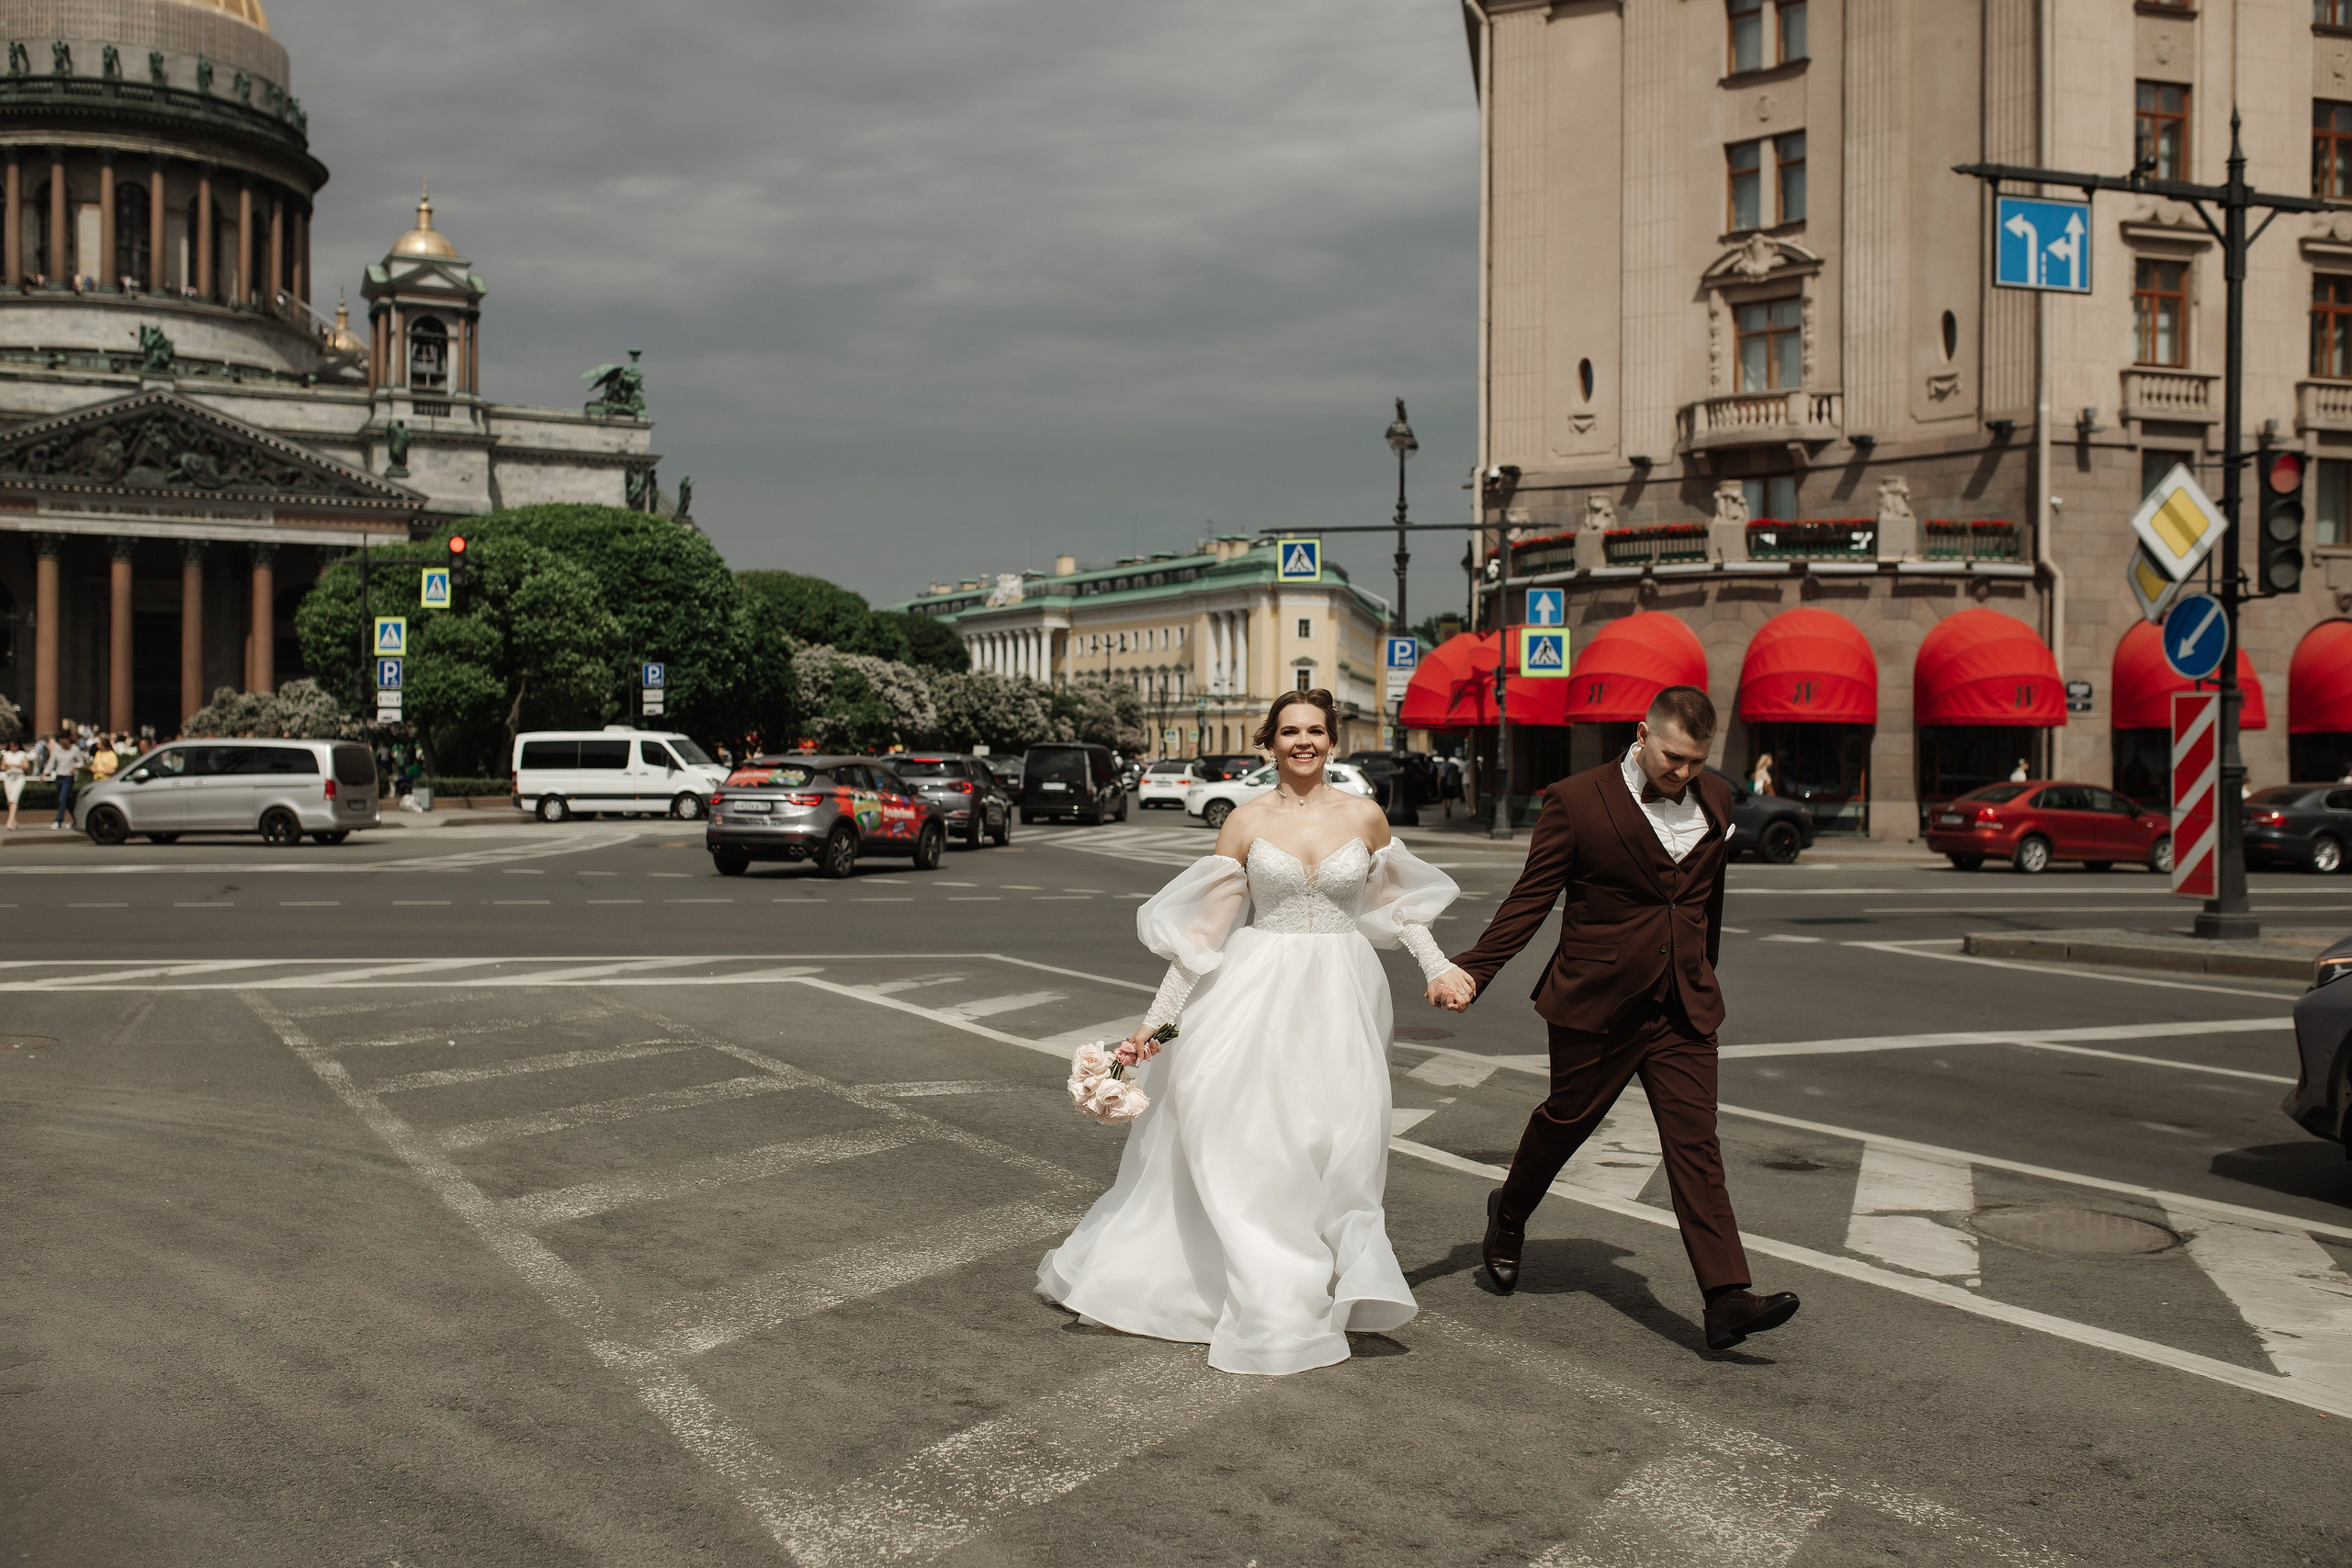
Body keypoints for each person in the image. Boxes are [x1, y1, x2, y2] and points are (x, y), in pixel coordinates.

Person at [1037, 687, 1460, 1375]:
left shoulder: (1367, 816)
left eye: (1316, 730)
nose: (1304, 741)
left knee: (1344, 1141)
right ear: (1270, 742)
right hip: (1256, 992)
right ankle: (1271, 1289)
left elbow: (1401, 907)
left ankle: (1323, 1270)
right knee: (1259, 1141)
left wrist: (1438, 967)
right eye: (1290, 730)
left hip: (1346, 995)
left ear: (1332, 740)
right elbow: (1203, 938)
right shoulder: (1243, 820)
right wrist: (1155, 1026)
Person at [1426, 685, 1800, 1354]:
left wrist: (1701, 974)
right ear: (1642, 732)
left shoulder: (1715, 799)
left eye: (1696, 760)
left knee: (1696, 1146)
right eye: (1674, 756)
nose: (1684, 772)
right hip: (1596, 998)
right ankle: (1507, 1213)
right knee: (1566, 1119)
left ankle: (1724, 1297)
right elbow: (1530, 900)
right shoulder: (1575, 799)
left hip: (1683, 1003)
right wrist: (1474, 969)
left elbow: (1703, 902)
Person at [49, 731, 85, 829]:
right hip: (59, 777)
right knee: (66, 800)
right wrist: (44, 773)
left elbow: (81, 762)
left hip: (68, 777)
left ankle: (58, 820)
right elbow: (52, 762)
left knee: (62, 798)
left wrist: (75, 766)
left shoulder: (74, 750)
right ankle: (77, 819)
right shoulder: (57, 750)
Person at [0, 736, 28, 830]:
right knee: (10, 801)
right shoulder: (6, 754)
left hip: (19, 778)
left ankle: (9, 821)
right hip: (9, 778)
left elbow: (26, 766)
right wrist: (7, 767)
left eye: (14, 745)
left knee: (14, 799)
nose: (12, 747)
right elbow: (2, 766)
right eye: (11, 745)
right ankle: (14, 821)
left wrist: (15, 765)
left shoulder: (22, 754)